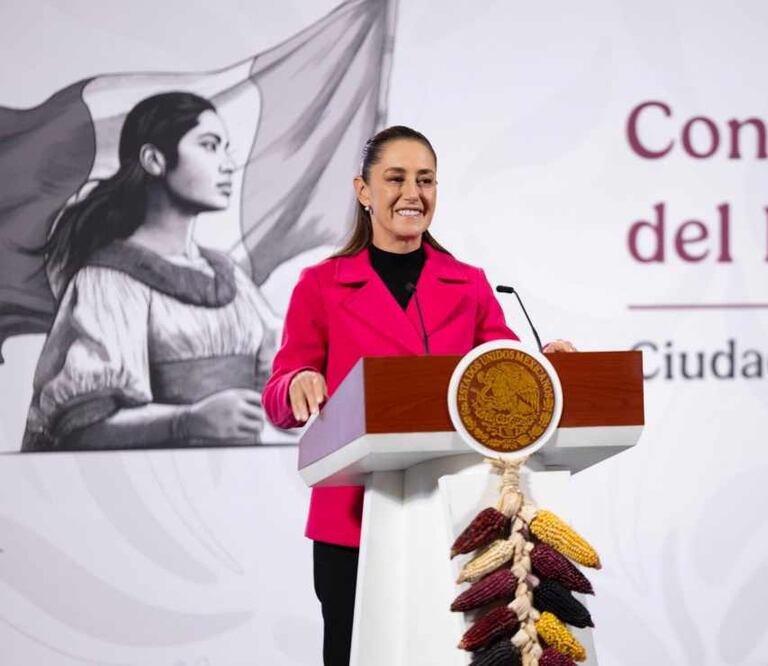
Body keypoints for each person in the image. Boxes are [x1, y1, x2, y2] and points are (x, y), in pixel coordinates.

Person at [261, 125, 574, 665]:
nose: (413, 193)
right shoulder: (321, 284)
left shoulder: (469, 284)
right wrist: (296, 384)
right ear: (363, 190)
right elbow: (278, 390)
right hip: (354, 522)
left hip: (451, 514)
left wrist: (544, 364)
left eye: (425, 180)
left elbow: (503, 367)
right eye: (396, 179)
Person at [22, 92, 278, 451]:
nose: (228, 164)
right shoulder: (109, 280)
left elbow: (277, 377)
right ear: (154, 160)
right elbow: (82, 427)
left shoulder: (230, 276)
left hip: (241, 475)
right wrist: (188, 421)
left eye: (226, 148)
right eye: (209, 146)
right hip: (154, 478)